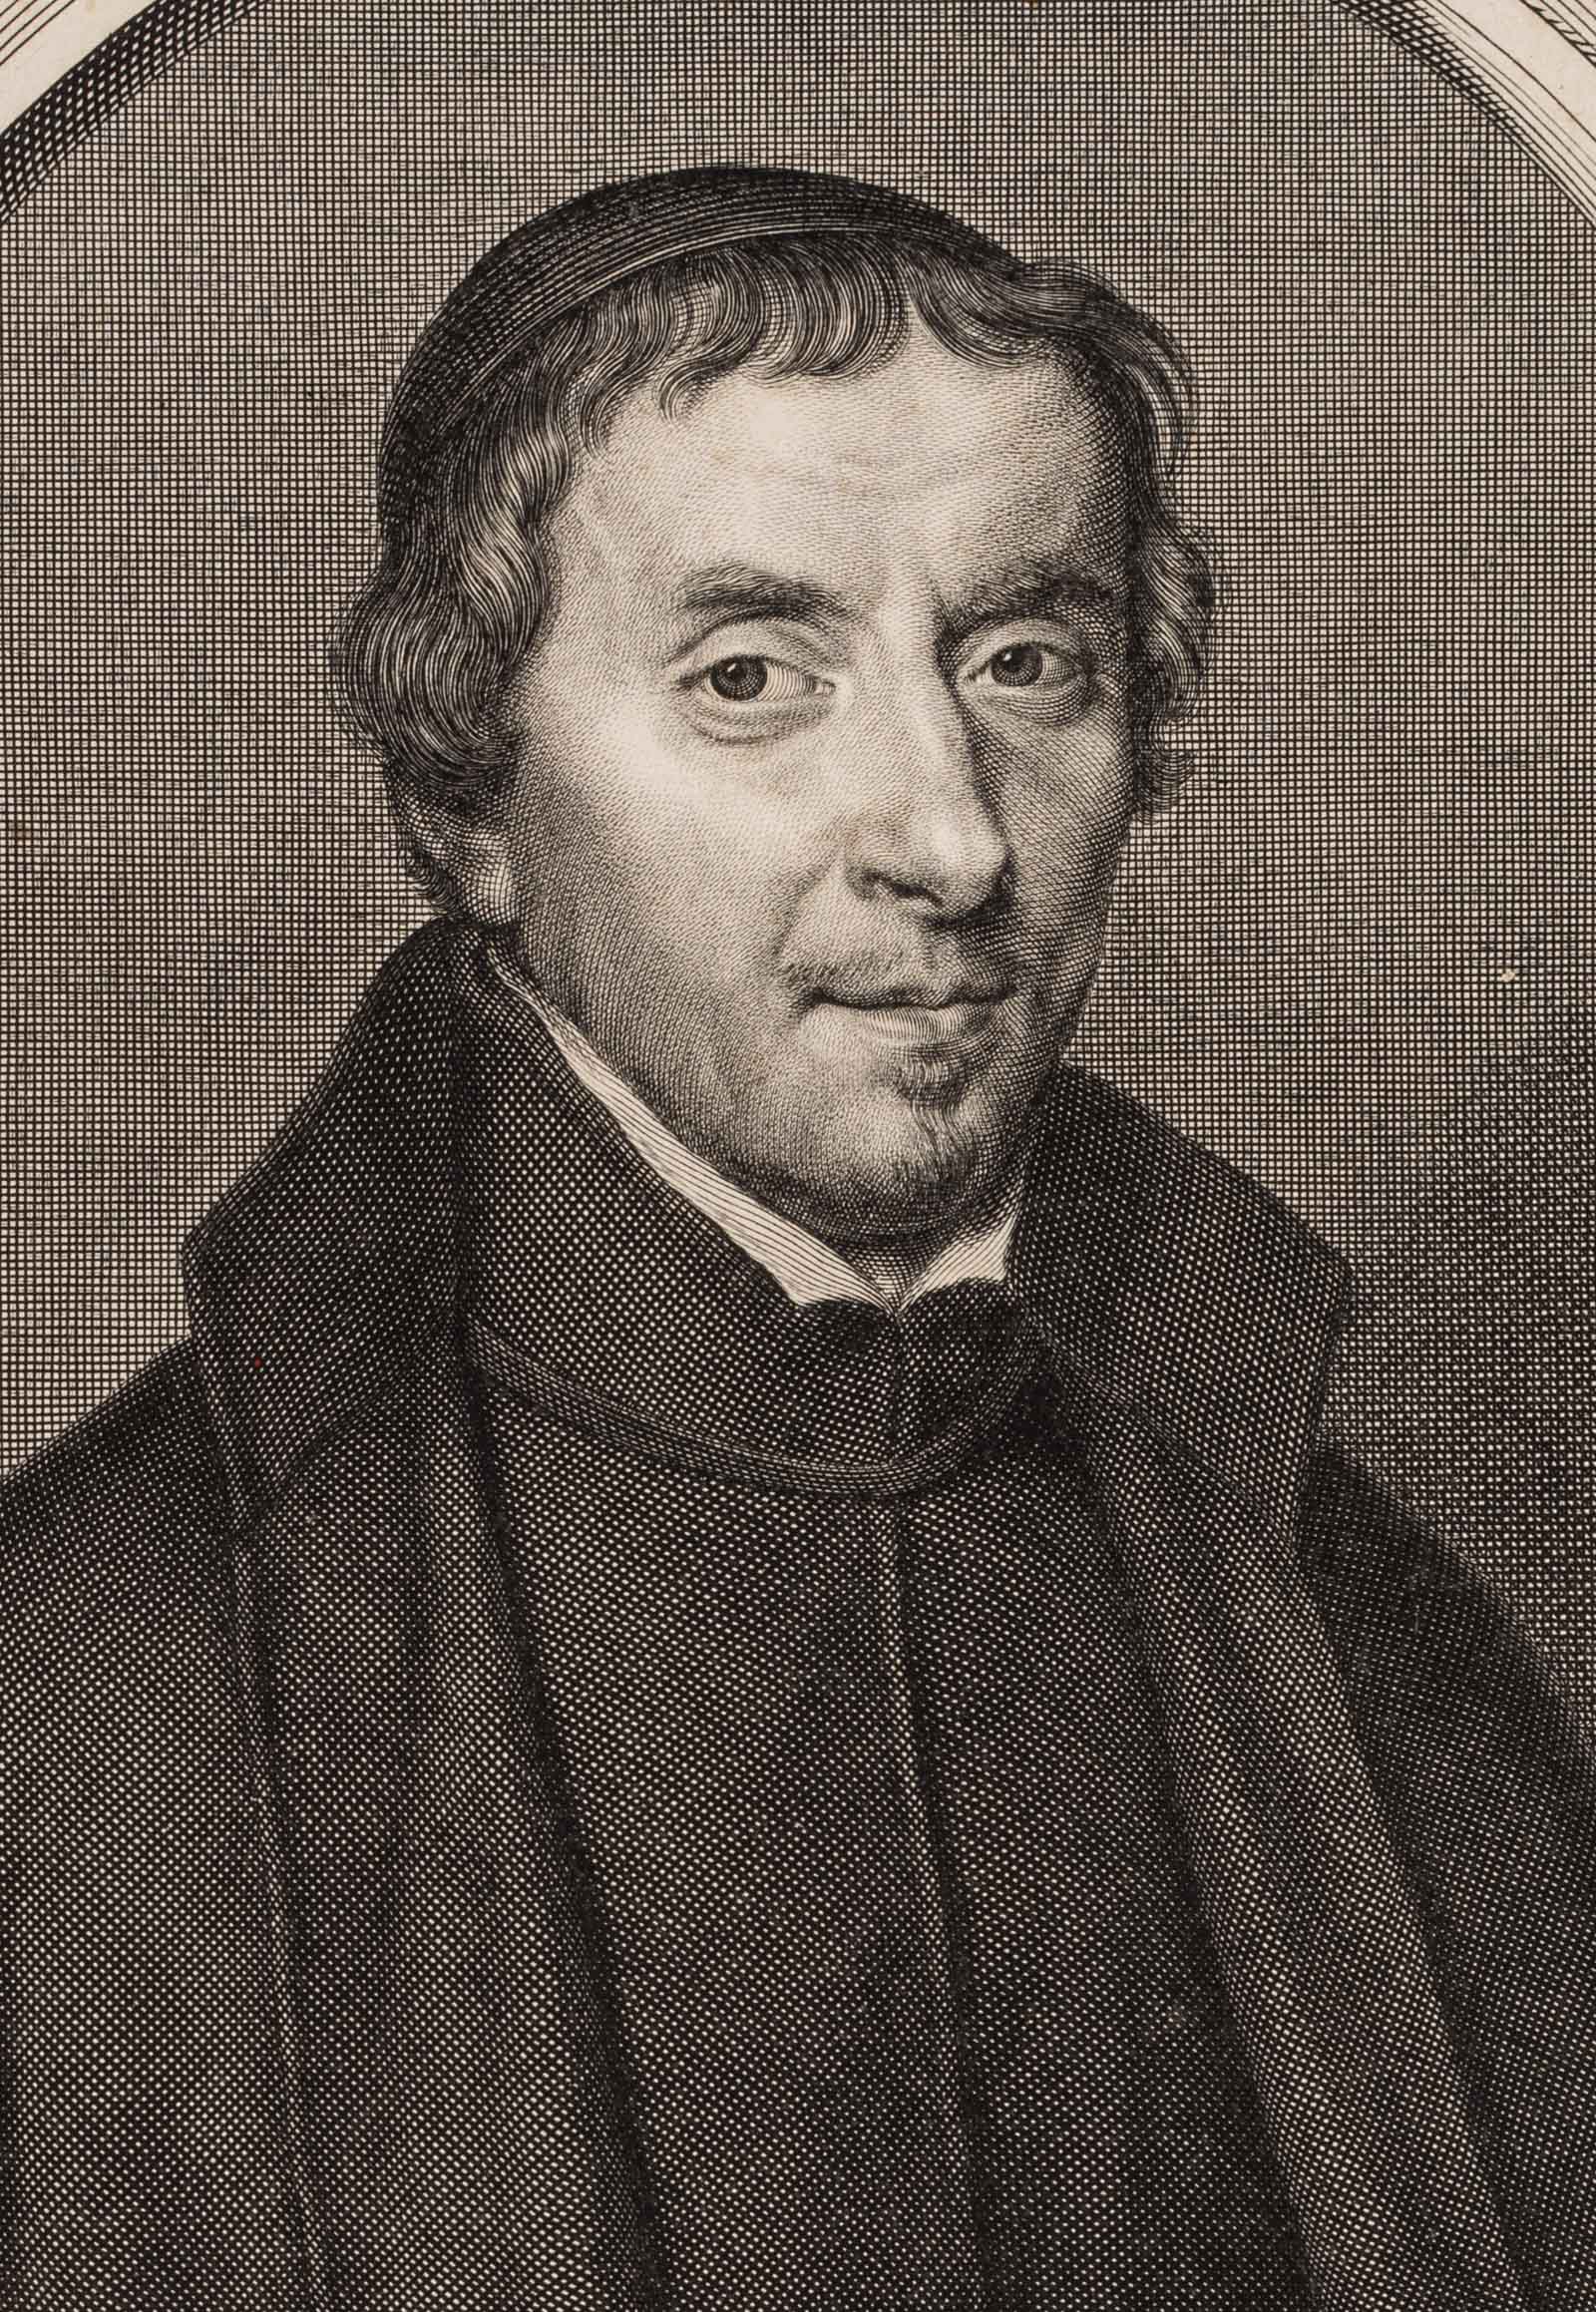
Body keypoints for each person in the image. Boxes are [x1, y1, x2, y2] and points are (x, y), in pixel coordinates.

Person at [1, 166, 1591, 2312]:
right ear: (467, 796)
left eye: (1025, 661)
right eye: (752, 675)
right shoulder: (86, 1670)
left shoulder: (1359, 1613)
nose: (948, 834)